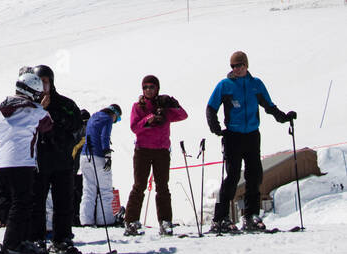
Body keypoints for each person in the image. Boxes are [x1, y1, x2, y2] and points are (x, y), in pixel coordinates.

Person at [206, 50, 296, 234]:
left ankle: (250, 216)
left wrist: (284, 118)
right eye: (233, 66)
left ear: (246, 65)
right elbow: (210, 108)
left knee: (254, 175)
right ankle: (220, 218)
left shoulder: (256, 84)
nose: (236, 69)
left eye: (239, 65)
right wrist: (216, 129)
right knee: (232, 177)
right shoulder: (225, 85)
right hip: (233, 136)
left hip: (252, 135)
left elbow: (269, 106)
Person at [0, 71, 53, 254]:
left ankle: (20, 240)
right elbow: (48, 125)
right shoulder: (35, 111)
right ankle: (12, 244)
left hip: (3, 162)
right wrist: (42, 107)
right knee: (22, 203)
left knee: (12, 203)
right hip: (23, 161)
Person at [28, 64, 84, 254]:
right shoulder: (29, 105)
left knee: (64, 202)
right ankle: (37, 239)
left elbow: (76, 123)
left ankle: (62, 238)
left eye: (46, 81)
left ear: (51, 82)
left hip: (62, 159)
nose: (43, 86)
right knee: (37, 202)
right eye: (39, 82)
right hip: (39, 160)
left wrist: (56, 118)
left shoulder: (65, 103)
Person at [124, 75, 188, 236]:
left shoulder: (164, 107)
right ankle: (131, 221)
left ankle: (165, 222)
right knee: (139, 186)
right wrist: (148, 120)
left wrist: (174, 104)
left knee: (163, 187)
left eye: (151, 87)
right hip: (143, 151)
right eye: (145, 87)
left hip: (161, 151)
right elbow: (134, 127)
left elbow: (183, 115)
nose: (148, 90)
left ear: (157, 88)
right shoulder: (137, 106)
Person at [80, 103, 122, 227]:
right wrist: (107, 154)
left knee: (88, 189)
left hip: (85, 156)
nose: (115, 121)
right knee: (105, 190)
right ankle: (105, 220)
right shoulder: (108, 118)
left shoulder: (93, 116)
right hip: (99, 157)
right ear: (114, 114)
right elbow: (105, 136)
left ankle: (86, 220)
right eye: (117, 119)